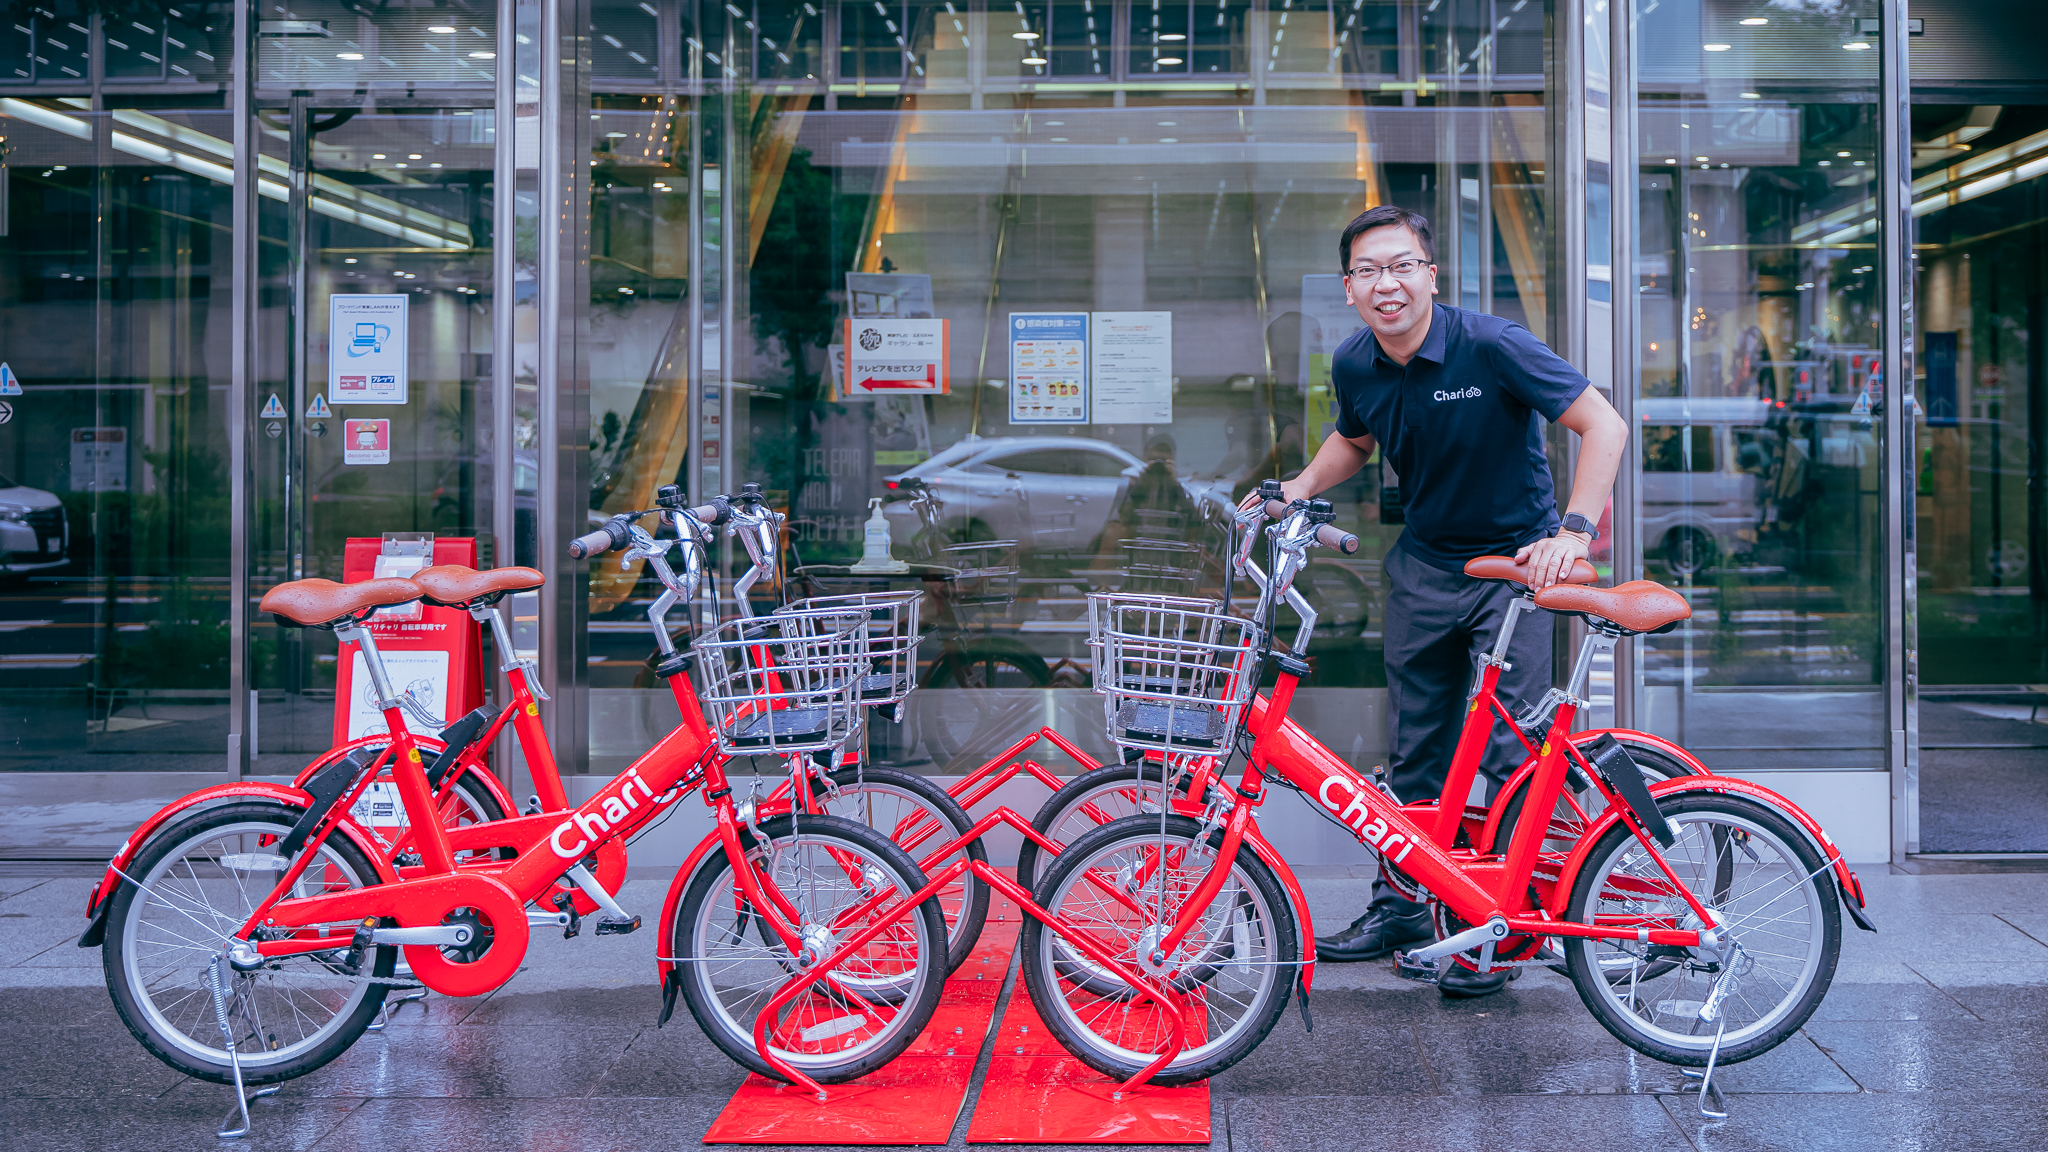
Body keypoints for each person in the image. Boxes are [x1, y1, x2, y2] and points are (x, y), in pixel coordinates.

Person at [1271, 205, 1628, 997]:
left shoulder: (1491, 345)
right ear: (1349, 288)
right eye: (1368, 271)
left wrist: (1573, 530)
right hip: (1426, 569)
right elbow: (1356, 438)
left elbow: (1603, 424)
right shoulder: (1357, 361)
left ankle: (1502, 924)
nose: (1386, 284)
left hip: (1516, 569)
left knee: (1508, 753)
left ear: (1430, 274)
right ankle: (1401, 903)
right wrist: (1299, 486)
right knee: (1416, 749)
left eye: (1401, 266)